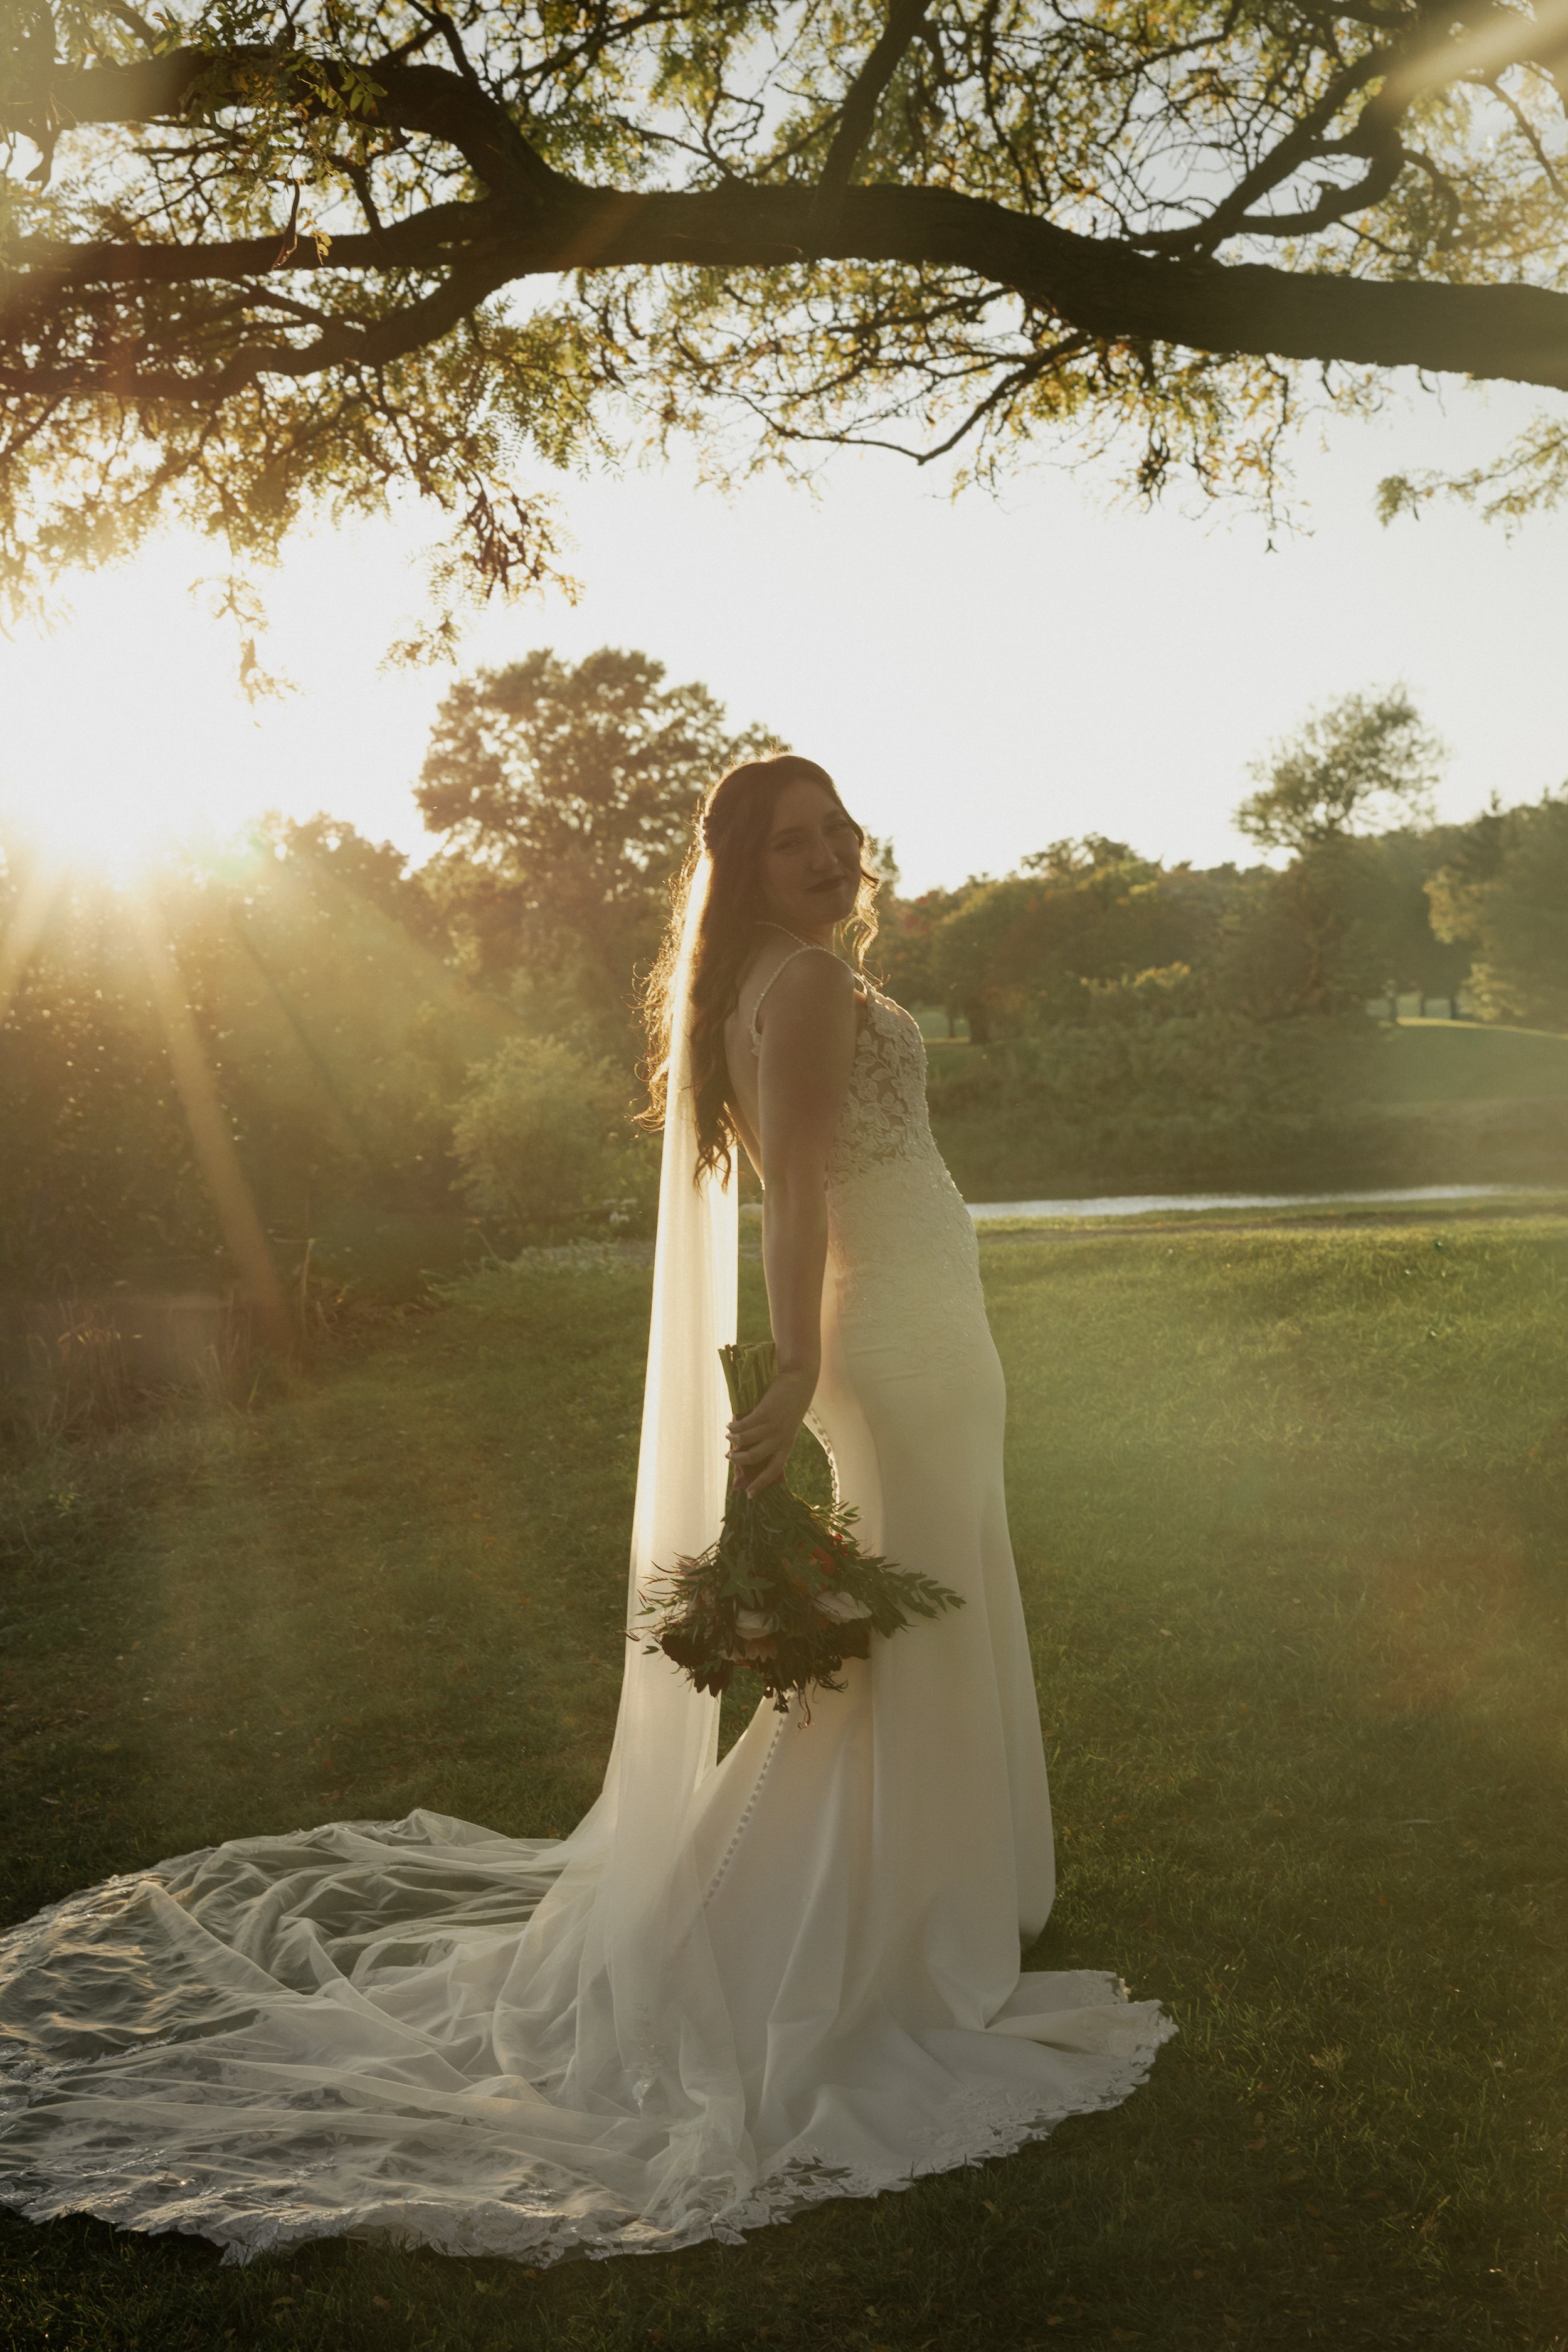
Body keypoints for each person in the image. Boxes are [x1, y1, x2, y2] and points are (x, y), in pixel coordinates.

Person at [0, 755, 1171, 2266]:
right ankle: (891, 1926)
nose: (826, 856)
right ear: (745, 868)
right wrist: (803, 1356)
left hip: (917, 1328)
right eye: (791, 841)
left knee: (919, 1601)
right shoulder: (805, 985)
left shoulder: (762, 983)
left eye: (835, 831)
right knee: (922, 1603)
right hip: (896, 1340)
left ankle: (931, 1887)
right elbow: (800, 1185)